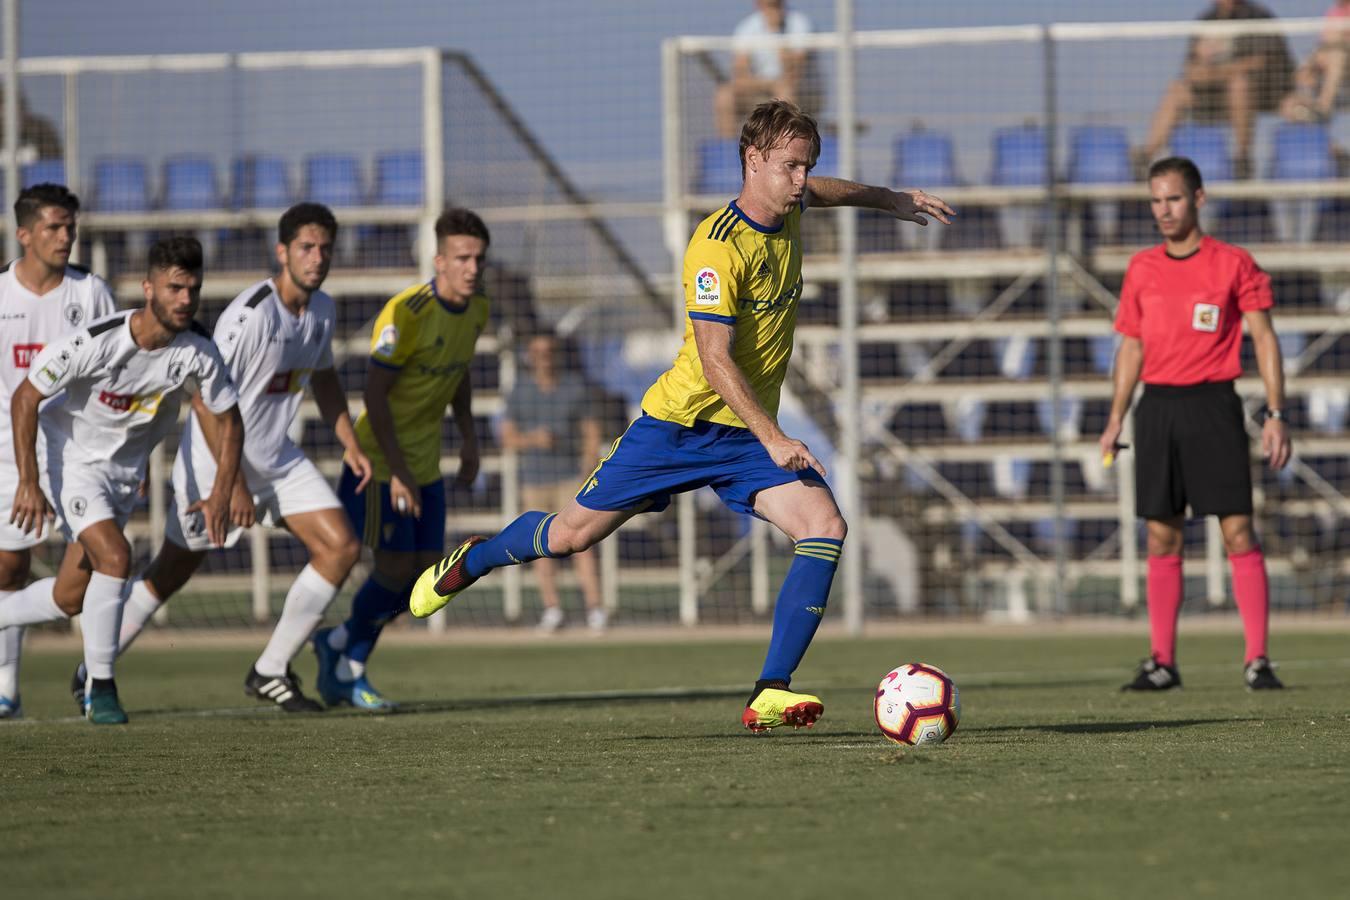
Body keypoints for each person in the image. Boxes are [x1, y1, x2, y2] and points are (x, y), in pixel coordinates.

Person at [409, 100, 953, 732]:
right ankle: (472, 560)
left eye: (808, 166)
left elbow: (826, 193)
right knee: (569, 536)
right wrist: (774, 436)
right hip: (677, 428)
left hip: (744, 437)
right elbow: (716, 360)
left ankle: (769, 691)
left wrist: (887, 199)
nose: (801, 180)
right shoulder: (715, 247)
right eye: (789, 167)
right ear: (752, 161)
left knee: (824, 524)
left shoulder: (793, 203)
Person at [70, 204, 372, 714]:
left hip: (277, 458)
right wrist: (229, 485)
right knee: (170, 572)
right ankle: (94, 669)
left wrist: (350, 440)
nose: (316, 258)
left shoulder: (323, 310)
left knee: (341, 546)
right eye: (306, 247)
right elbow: (206, 396)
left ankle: (271, 669)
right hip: (215, 464)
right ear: (282, 252)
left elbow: (323, 376)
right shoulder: (251, 314)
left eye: (324, 249)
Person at [4, 236, 242, 724]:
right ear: (147, 287)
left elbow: (228, 417)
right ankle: (102, 687)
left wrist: (222, 491)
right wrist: (29, 481)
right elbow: (26, 396)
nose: (185, 300)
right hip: (69, 462)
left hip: (121, 477)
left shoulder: (198, 351)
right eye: (175, 288)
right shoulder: (98, 341)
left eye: (193, 289)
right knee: (116, 557)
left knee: (70, 597)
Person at [1100, 157, 1291, 693]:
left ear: (1198, 199)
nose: (1163, 210)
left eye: (1174, 199)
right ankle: (1162, 661)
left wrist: (1276, 414)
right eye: (1155, 201)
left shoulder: (1233, 263)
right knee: (1161, 536)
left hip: (1214, 405)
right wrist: (1115, 417)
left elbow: (1265, 339)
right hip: (1157, 408)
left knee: (1236, 530)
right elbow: (1131, 346)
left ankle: (1258, 659)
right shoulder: (1142, 268)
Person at [312, 208, 490, 711]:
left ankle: (338, 641)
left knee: (423, 580)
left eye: (478, 258)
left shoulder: (477, 310)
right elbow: (374, 395)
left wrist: (471, 438)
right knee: (393, 570)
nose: (472, 267)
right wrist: (400, 475)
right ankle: (350, 667)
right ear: (439, 260)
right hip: (379, 465)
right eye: (461, 257)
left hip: (425, 466)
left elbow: (459, 372)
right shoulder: (406, 313)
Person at [0, 183, 117, 719]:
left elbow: (115, 369)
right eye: (52, 227)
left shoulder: (91, 292)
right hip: (7, 453)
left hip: (76, 453)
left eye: (69, 226)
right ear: (23, 233)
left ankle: (97, 681)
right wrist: (24, 476)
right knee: (7, 567)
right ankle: (7, 690)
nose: (65, 236)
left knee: (94, 564)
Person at [501, 332, 605, 633]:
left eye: (549, 352)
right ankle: (553, 608)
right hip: (534, 480)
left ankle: (595, 608)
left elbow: (591, 431)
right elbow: (507, 436)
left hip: (570, 478)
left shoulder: (574, 387)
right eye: (538, 353)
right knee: (540, 546)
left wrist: (589, 464)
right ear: (530, 357)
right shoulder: (519, 390)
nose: (544, 358)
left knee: (582, 543)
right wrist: (533, 439)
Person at [1138, 0, 1294, 179]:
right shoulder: (1207, 20)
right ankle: (1144, 159)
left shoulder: (1258, 16)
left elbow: (1260, 63)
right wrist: (1222, 70)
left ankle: (1242, 160)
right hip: (1210, 97)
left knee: (1239, 84)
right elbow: (1191, 71)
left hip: (1257, 97)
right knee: (1176, 90)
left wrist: (1216, 71)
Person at [714, 0, 820, 138]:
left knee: (784, 94)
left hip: (797, 93)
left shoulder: (799, 24)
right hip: (759, 90)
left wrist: (777, 32)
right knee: (725, 96)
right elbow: (740, 77)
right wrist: (769, 84)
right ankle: (727, 152)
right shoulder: (747, 28)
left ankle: (781, 145)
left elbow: (794, 71)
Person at [1280, 1, 1350, 123]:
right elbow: (1324, 43)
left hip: (1342, 59)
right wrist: (1311, 63)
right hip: (1326, 56)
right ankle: (1301, 105)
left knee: (1337, 58)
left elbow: (1340, 42)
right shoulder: (1334, 12)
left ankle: (1323, 107)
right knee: (1305, 71)